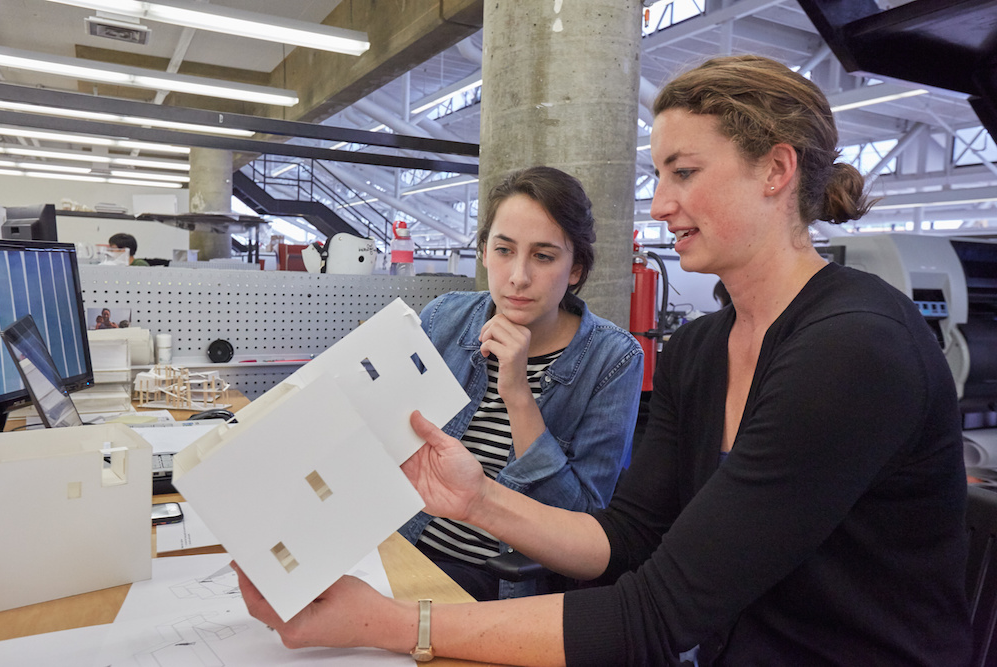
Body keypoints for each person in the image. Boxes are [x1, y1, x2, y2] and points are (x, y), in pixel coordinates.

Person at [235, 55, 971, 665]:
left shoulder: (853, 348)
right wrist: (475, 498)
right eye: (660, 175)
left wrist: (396, 623)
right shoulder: (700, 349)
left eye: (684, 172)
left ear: (776, 170)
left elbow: (656, 614)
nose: (658, 206)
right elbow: (626, 542)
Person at [398, 165, 644, 601]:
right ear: (485, 252)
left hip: (493, 579)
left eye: (544, 256)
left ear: (575, 269)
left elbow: (583, 521)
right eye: (504, 250)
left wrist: (518, 394)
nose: (518, 276)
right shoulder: (443, 317)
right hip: (400, 543)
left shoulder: (613, 358)